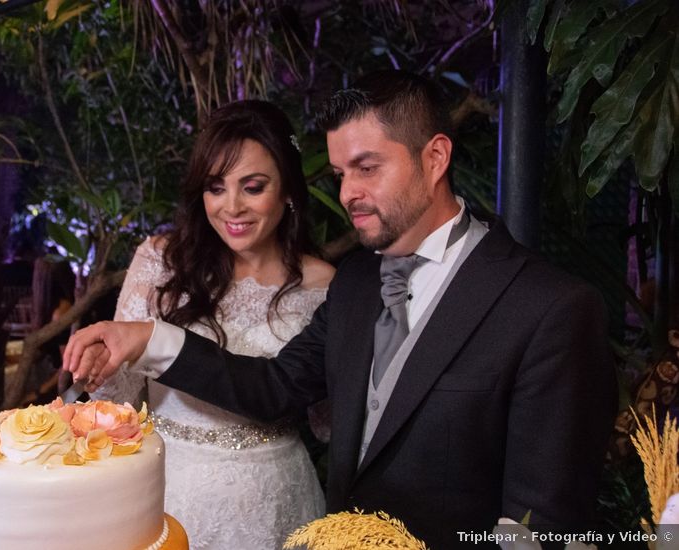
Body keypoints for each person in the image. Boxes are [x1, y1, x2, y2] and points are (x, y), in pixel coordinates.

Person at [66, 72, 617, 548]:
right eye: (340, 175)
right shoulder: (355, 283)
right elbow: (273, 388)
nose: (349, 191)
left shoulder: (550, 308)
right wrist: (148, 338)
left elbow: (542, 527)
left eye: (367, 168)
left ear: (435, 157)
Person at [88, 100, 335, 549]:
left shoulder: (324, 285)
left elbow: (328, 423)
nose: (232, 207)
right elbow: (121, 404)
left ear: (288, 191)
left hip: (276, 501)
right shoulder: (162, 263)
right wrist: (98, 369)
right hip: (168, 493)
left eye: (253, 187)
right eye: (215, 187)